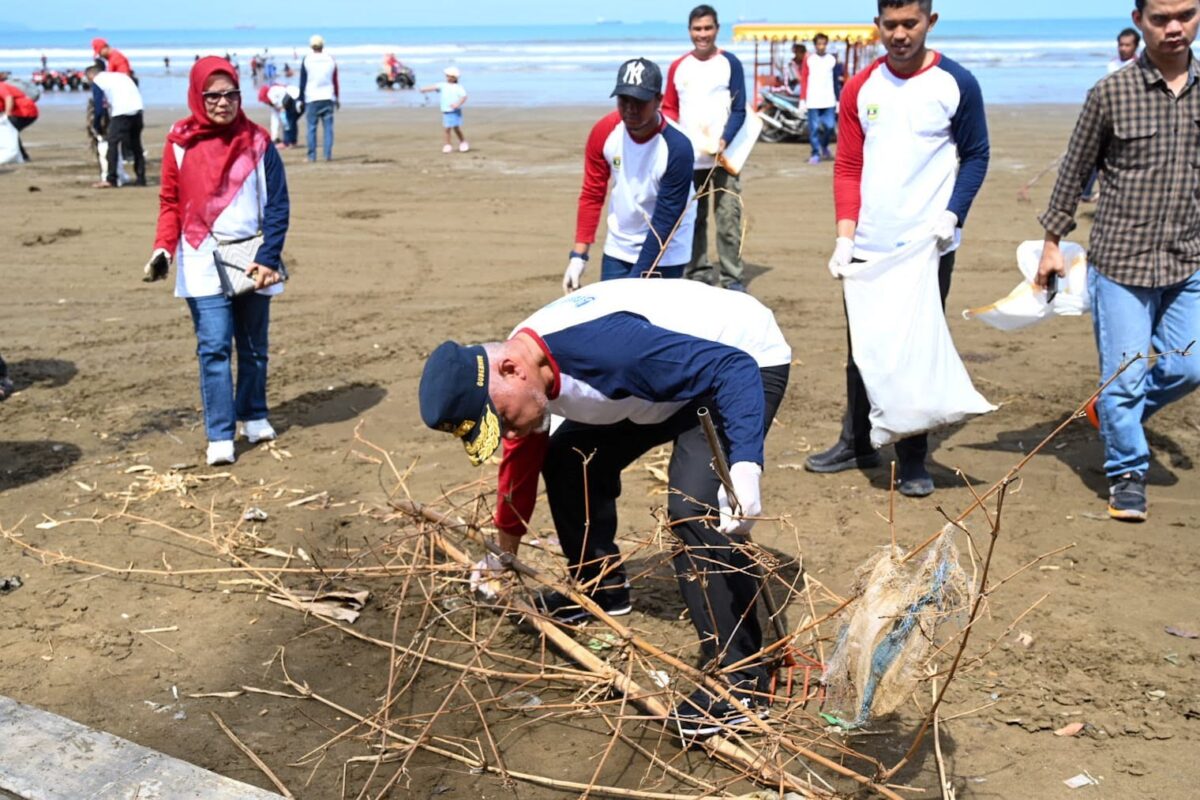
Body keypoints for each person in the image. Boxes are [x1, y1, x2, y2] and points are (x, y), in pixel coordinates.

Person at [418, 278, 791, 738]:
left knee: (691, 506)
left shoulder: (606, 351)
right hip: (663, 382)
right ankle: (600, 587)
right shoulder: (525, 370)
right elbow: (520, 465)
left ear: (512, 369)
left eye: (503, 419)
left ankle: (742, 684)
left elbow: (731, 368)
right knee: (567, 458)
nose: (508, 432)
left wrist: (746, 465)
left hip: (738, 363)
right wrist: (502, 554)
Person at [806, 0, 990, 498]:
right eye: (891, 25)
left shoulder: (956, 83)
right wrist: (844, 236)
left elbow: (976, 156)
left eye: (910, 23)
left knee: (912, 350)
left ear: (930, 22)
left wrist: (952, 216)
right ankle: (857, 441)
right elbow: (847, 165)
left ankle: (912, 458)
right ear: (877, 28)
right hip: (867, 243)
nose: (901, 34)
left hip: (927, 245)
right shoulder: (859, 87)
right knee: (861, 348)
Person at [1035, 0, 1200, 522]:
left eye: (1187, 14)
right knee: (1125, 376)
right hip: (1122, 264)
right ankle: (1127, 473)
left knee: (1189, 366)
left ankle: (1108, 411)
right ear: (1138, 20)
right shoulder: (1111, 93)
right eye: (1161, 18)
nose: (1174, 27)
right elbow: (1075, 168)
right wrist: (1052, 242)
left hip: (1188, 259)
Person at [149, 57, 290, 467]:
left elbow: (278, 204)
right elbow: (170, 202)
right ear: (198, 95)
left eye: (231, 94)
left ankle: (254, 414)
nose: (223, 103)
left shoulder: (258, 141)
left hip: (251, 257)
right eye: (213, 95)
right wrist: (163, 248)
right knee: (213, 346)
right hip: (199, 257)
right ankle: (220, 434)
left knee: (253, 346)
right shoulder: (179, 142)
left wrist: (268, 257)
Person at [565, 58, 696, 291]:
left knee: (653, 321)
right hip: (619, 244)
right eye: (624, 100)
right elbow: (593, 194)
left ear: (658, 100)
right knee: (612, 318)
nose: (630, 109)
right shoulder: (605, 132)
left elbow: (666, 221)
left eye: (640, 101)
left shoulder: (677, 148)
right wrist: (579, 255)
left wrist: (637, 279)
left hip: (667, 248)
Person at [662, 5, 748, 292]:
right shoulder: (678, 67)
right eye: (697, 29)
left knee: (728, 220)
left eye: (708, 28)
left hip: (724, 156)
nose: (703, 34)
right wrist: (675, 145)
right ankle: (697, 273)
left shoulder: (730, 63)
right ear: (690, 31)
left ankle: (731, 277)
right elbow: (669, 110)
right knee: (692, 220)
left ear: (717, 29)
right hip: (689, 159)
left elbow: (739, 108)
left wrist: (725, 139)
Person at [1082, 27, 1143, 201]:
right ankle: (1087, 192)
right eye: (1120, 45)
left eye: (1127, 45)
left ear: (1135, 46)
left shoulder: (1139, 67)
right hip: (1110, 118)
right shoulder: (1113, 64)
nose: (1123, 48)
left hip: (1130, 120)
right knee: (1095, 155)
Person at [87, 63, 145, 188]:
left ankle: (111, 179)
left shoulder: (98, 81)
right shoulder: (119, 76)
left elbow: (99, 108)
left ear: (91, 76)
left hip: (121, 113)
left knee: (112, 144)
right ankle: (141, 178)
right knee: (136, 146)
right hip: (138, 109)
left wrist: (96, 125)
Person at [299, 34, 339, 162]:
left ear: (311, 46)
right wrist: (337, 97)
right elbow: (335, 80)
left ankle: (312, 156)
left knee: (311, 128)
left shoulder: (307, 59)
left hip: (312, 97)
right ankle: (327, 155)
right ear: (323, 45)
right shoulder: (330, 59)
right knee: (328, 128)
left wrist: (300, 98)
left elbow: (303, 81)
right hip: (328, 96)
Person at [803, 33, 838, 164]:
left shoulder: (832, 60)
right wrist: (802, 99)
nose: (821, 46)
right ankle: (815, 153)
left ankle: (824, 145)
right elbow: (804, 80)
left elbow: (835, 81)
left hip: (829, 99)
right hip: (813, 99)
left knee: (830, 126)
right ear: (815, 45)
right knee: (814, 128)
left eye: (823, 43)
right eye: (819, 44)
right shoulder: (809, 60)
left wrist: (838, 99)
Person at [420, 66, 469, 153]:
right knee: (447, 129)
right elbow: (434, 87)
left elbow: (464, 97)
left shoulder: (458, 87)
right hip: (446, 111)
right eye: (446, 76)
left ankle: (463, 142)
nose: (447, 77)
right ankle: (447, 145)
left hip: (455, 111)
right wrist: (424, 89)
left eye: (448, 76)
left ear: (454, 78)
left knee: (456, 128)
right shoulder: (443, 85)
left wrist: (457, 104)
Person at [0, 77, 39, 161]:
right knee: (11, 132)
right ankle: (21, 156)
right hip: (21, 111)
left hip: (25, 111)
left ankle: (21, 156)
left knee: (10, 131)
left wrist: (7, 114)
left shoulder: (1, 86)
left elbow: (8, 98)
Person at [258, 83, 300, 147]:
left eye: (264, 101)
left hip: (293, 98)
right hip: (294, 97)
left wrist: (281, 109)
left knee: (287, 121)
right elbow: (274, 119)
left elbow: (280, 108)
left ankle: (287, 142)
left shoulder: (271, 94)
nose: (265, 103)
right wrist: (274, 137)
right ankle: (292, 141)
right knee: (291, 122)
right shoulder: (272, 95)